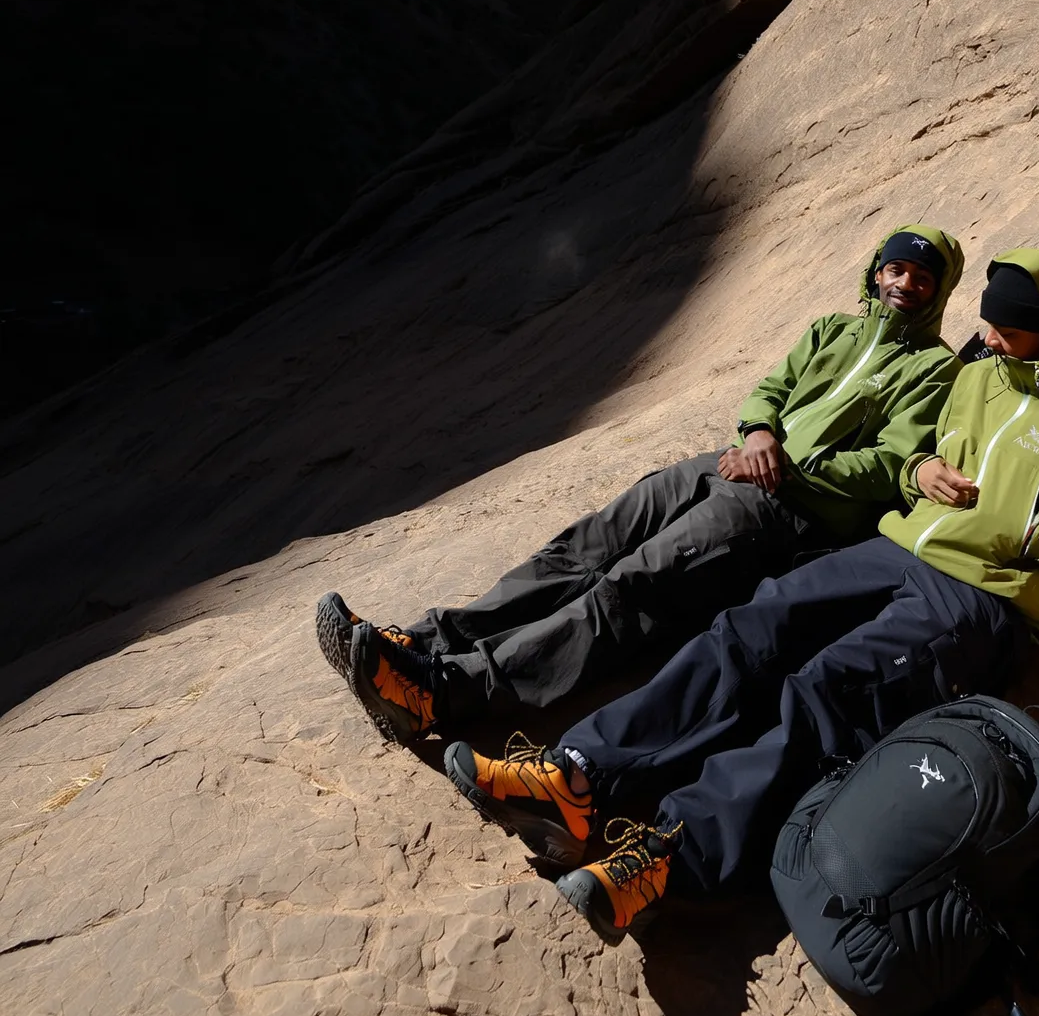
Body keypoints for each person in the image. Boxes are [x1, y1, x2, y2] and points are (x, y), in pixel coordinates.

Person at [445, 247, 1039, 941]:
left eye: (1007, 330)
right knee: (747, 631)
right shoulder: (978, 381)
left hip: (980, 601)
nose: (988, 338)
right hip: (890, 548)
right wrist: (919, 475)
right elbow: (916, 454)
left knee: (826, 693)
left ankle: (671, 860)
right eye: (988, 323)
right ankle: (576, 777)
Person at [316, 223, 965, 752]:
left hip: (784, 509)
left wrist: (782, 466)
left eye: (922, 277)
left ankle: (446, 690)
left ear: (937, 292)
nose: (905, 283)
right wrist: (759, 432)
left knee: (633, 588)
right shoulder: (833, 329)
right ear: (877, 270)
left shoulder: (934, 370)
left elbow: (888, 465)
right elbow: (771, 389)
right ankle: (426, 642)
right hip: (725, 464)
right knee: (584, 546)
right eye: (896, 269)